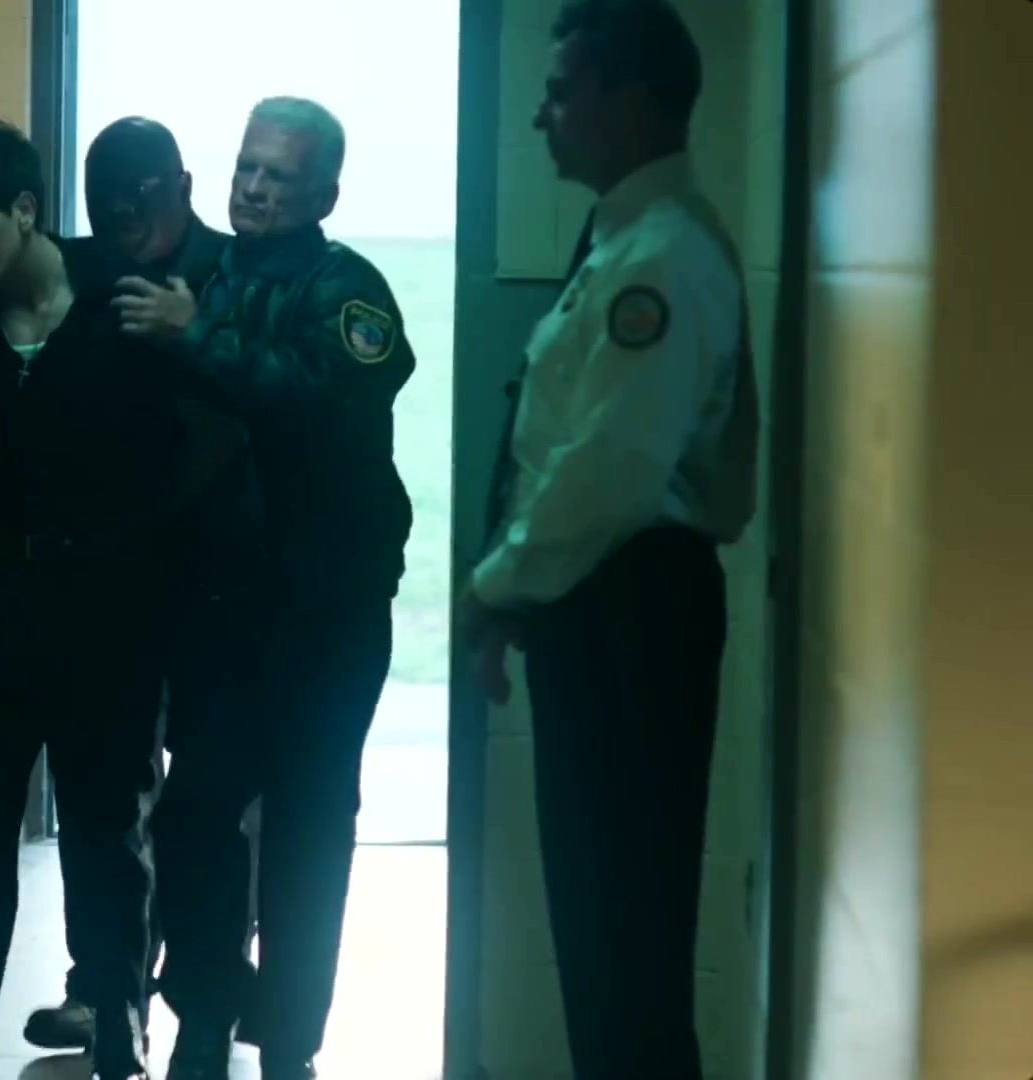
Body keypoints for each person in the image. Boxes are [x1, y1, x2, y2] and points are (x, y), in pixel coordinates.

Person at [459, 3, 758, 1079]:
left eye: (559, 93)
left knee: (624, 936)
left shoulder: (662, 257)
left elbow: (609, 469)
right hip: (606, 602)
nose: (541, 117)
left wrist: (495, 585)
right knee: (602, 933)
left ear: (628, 102)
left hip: (633, 607)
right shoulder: (628, 240)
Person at [115, 97, 417, 1080]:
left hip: (328, 615)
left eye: (278, 176)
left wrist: (195, 337)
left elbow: (323, 403)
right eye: (246, 167)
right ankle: (204, 1015)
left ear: (324, 193)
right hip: (219, 612)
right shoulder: (205, 275)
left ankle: (288, 1040)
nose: (253, 188)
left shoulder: (350, 290)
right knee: (195, 813)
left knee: (309, 827)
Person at [0, 121, 182, 1080]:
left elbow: (204, 436)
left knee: (108, 830)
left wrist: (132, 529)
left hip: (116, 606)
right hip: (7, 610)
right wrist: (15, 521)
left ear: (24, 208)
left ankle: (117, 1033)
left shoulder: (119, 294)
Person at [22, 116, 264, 1056]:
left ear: (184, 186)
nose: (122, 208)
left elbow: (255, 421)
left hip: (217, 585)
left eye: (143, 189)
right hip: (110, 588)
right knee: (102, 803)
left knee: (211, 804)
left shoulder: (236, 274)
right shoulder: (76, 274)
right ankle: (105, 993)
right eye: (104, 191)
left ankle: (208, 1000)